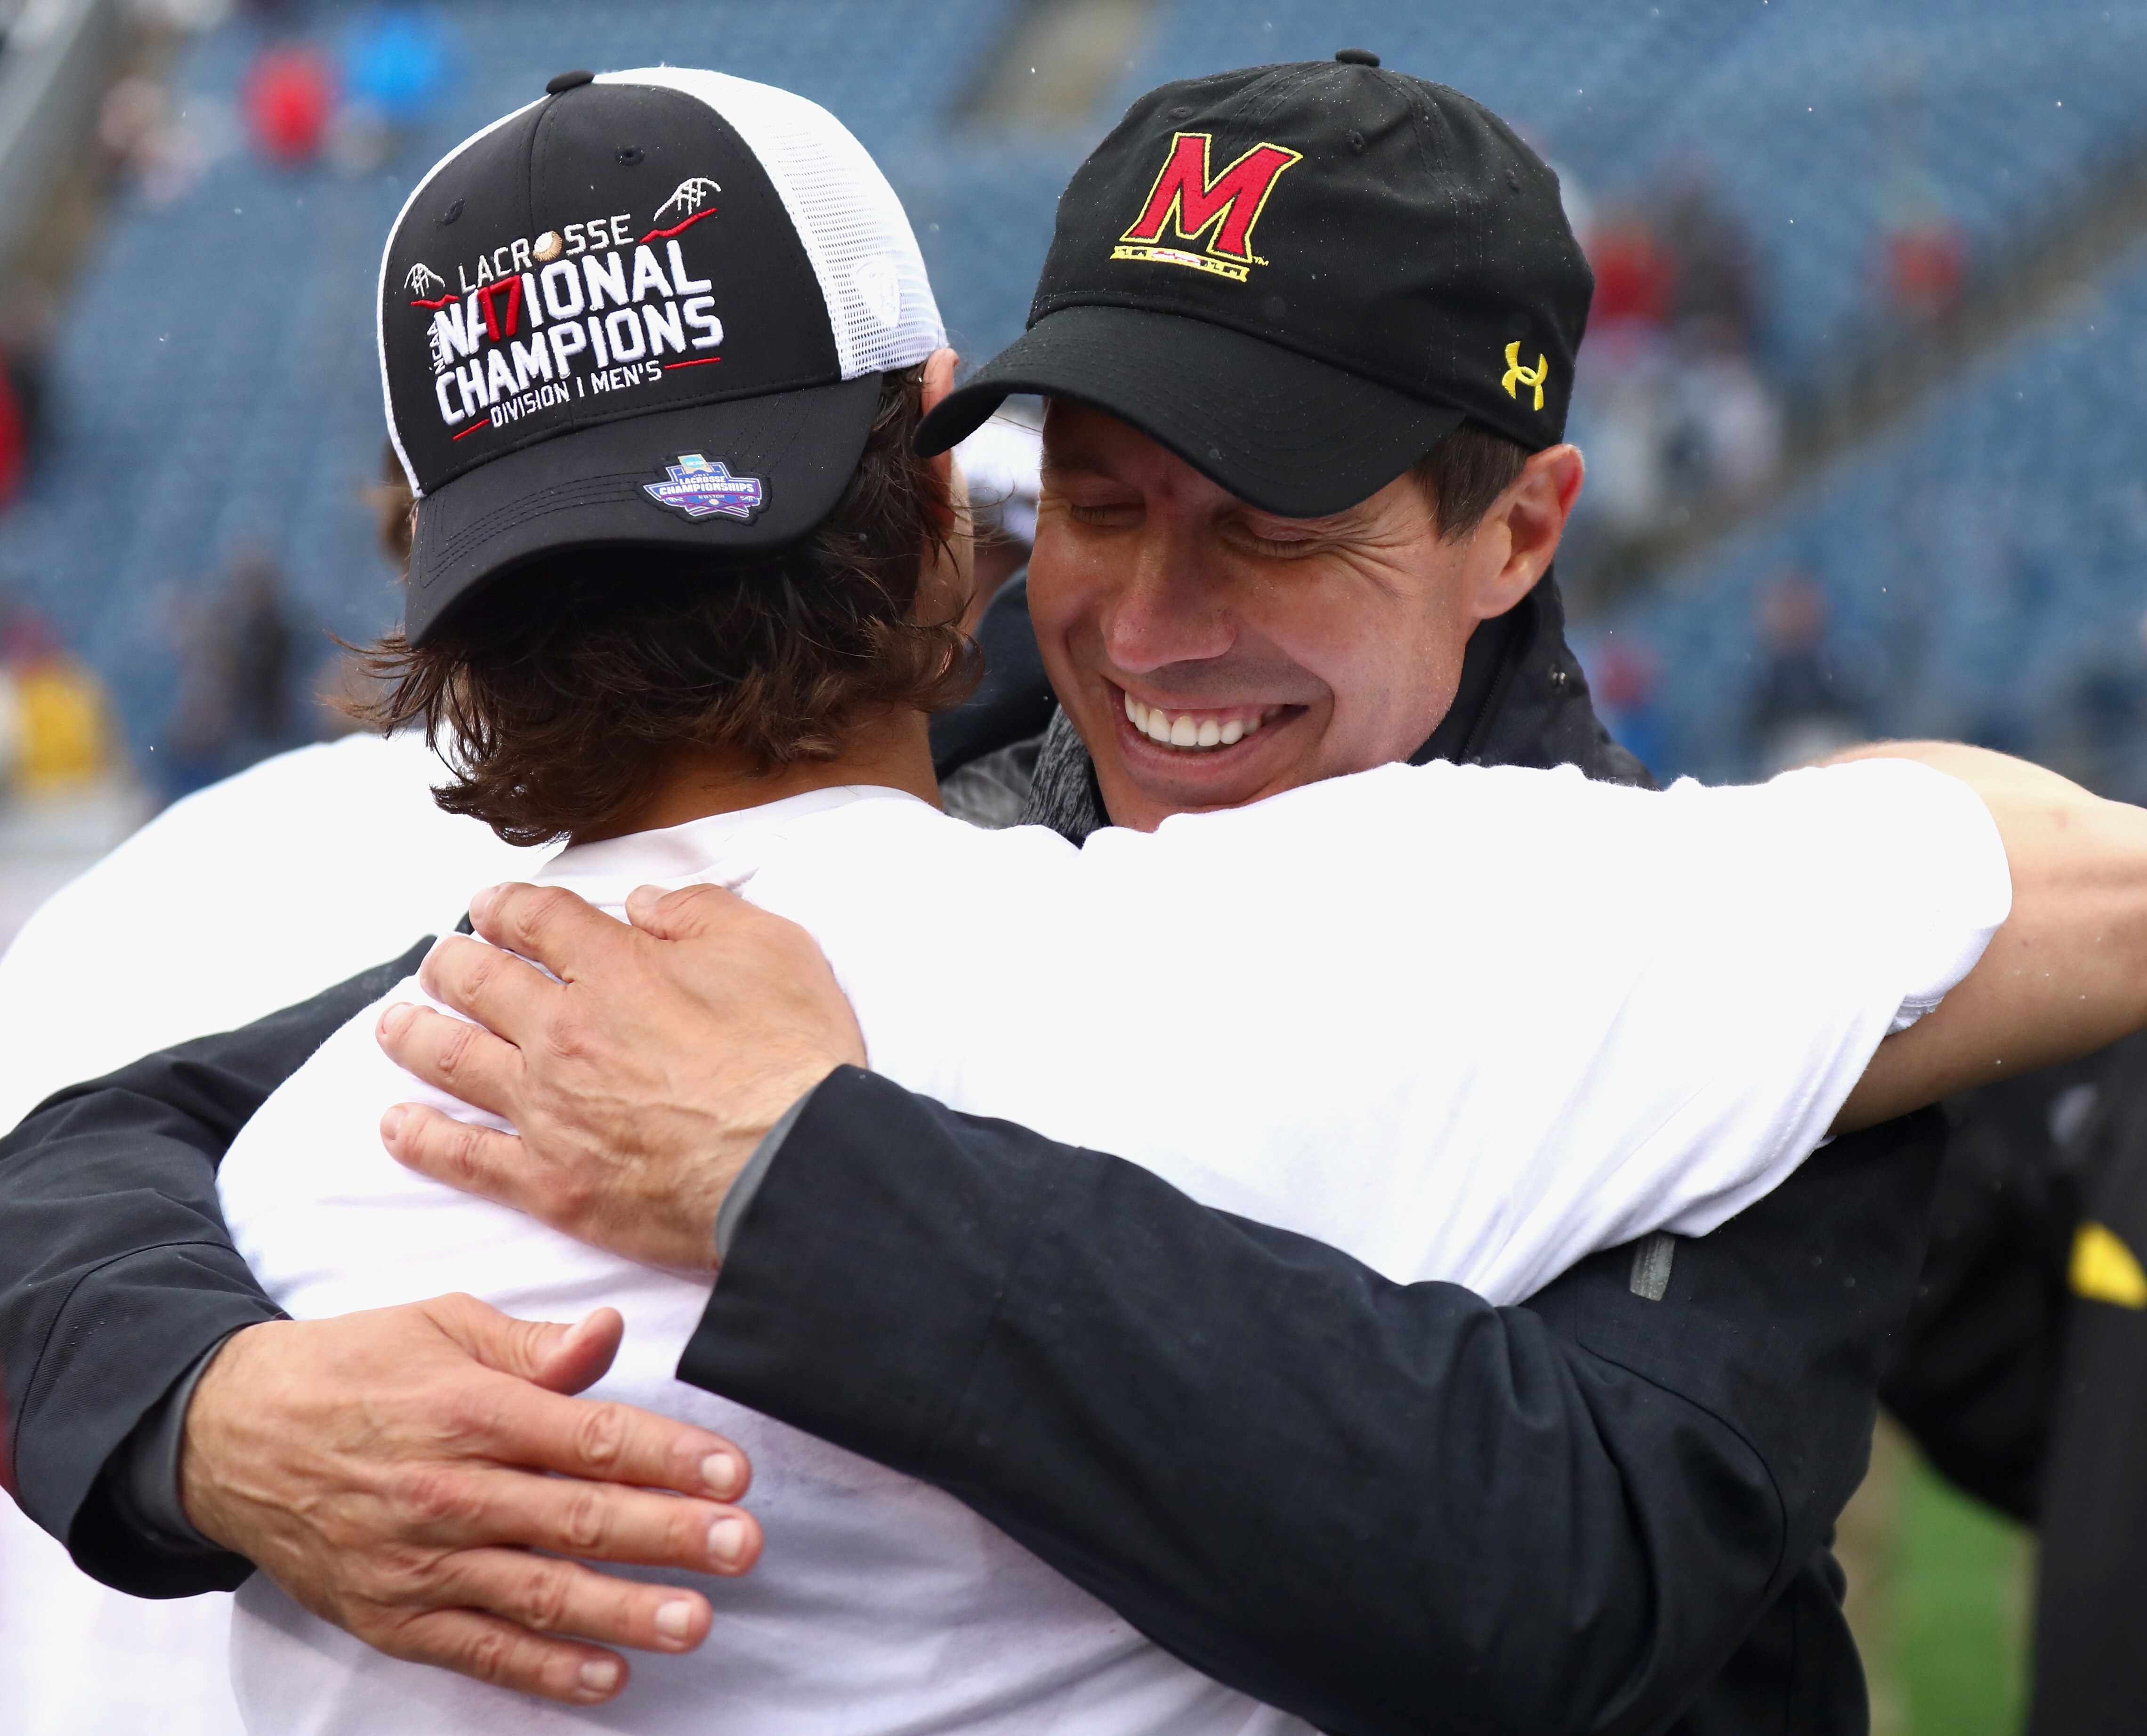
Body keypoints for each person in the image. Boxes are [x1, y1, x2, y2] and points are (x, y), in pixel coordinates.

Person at [6, 53, 2146, 1734]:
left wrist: (813, 1180)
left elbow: (1552, 1587)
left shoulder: (1655, 958)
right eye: (1102, 504)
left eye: (1279, 526)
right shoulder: (970, 783)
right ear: (969, 500)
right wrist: (211, 1415)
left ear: (1521, 530)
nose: (1155, 626)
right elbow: (117, 1140)